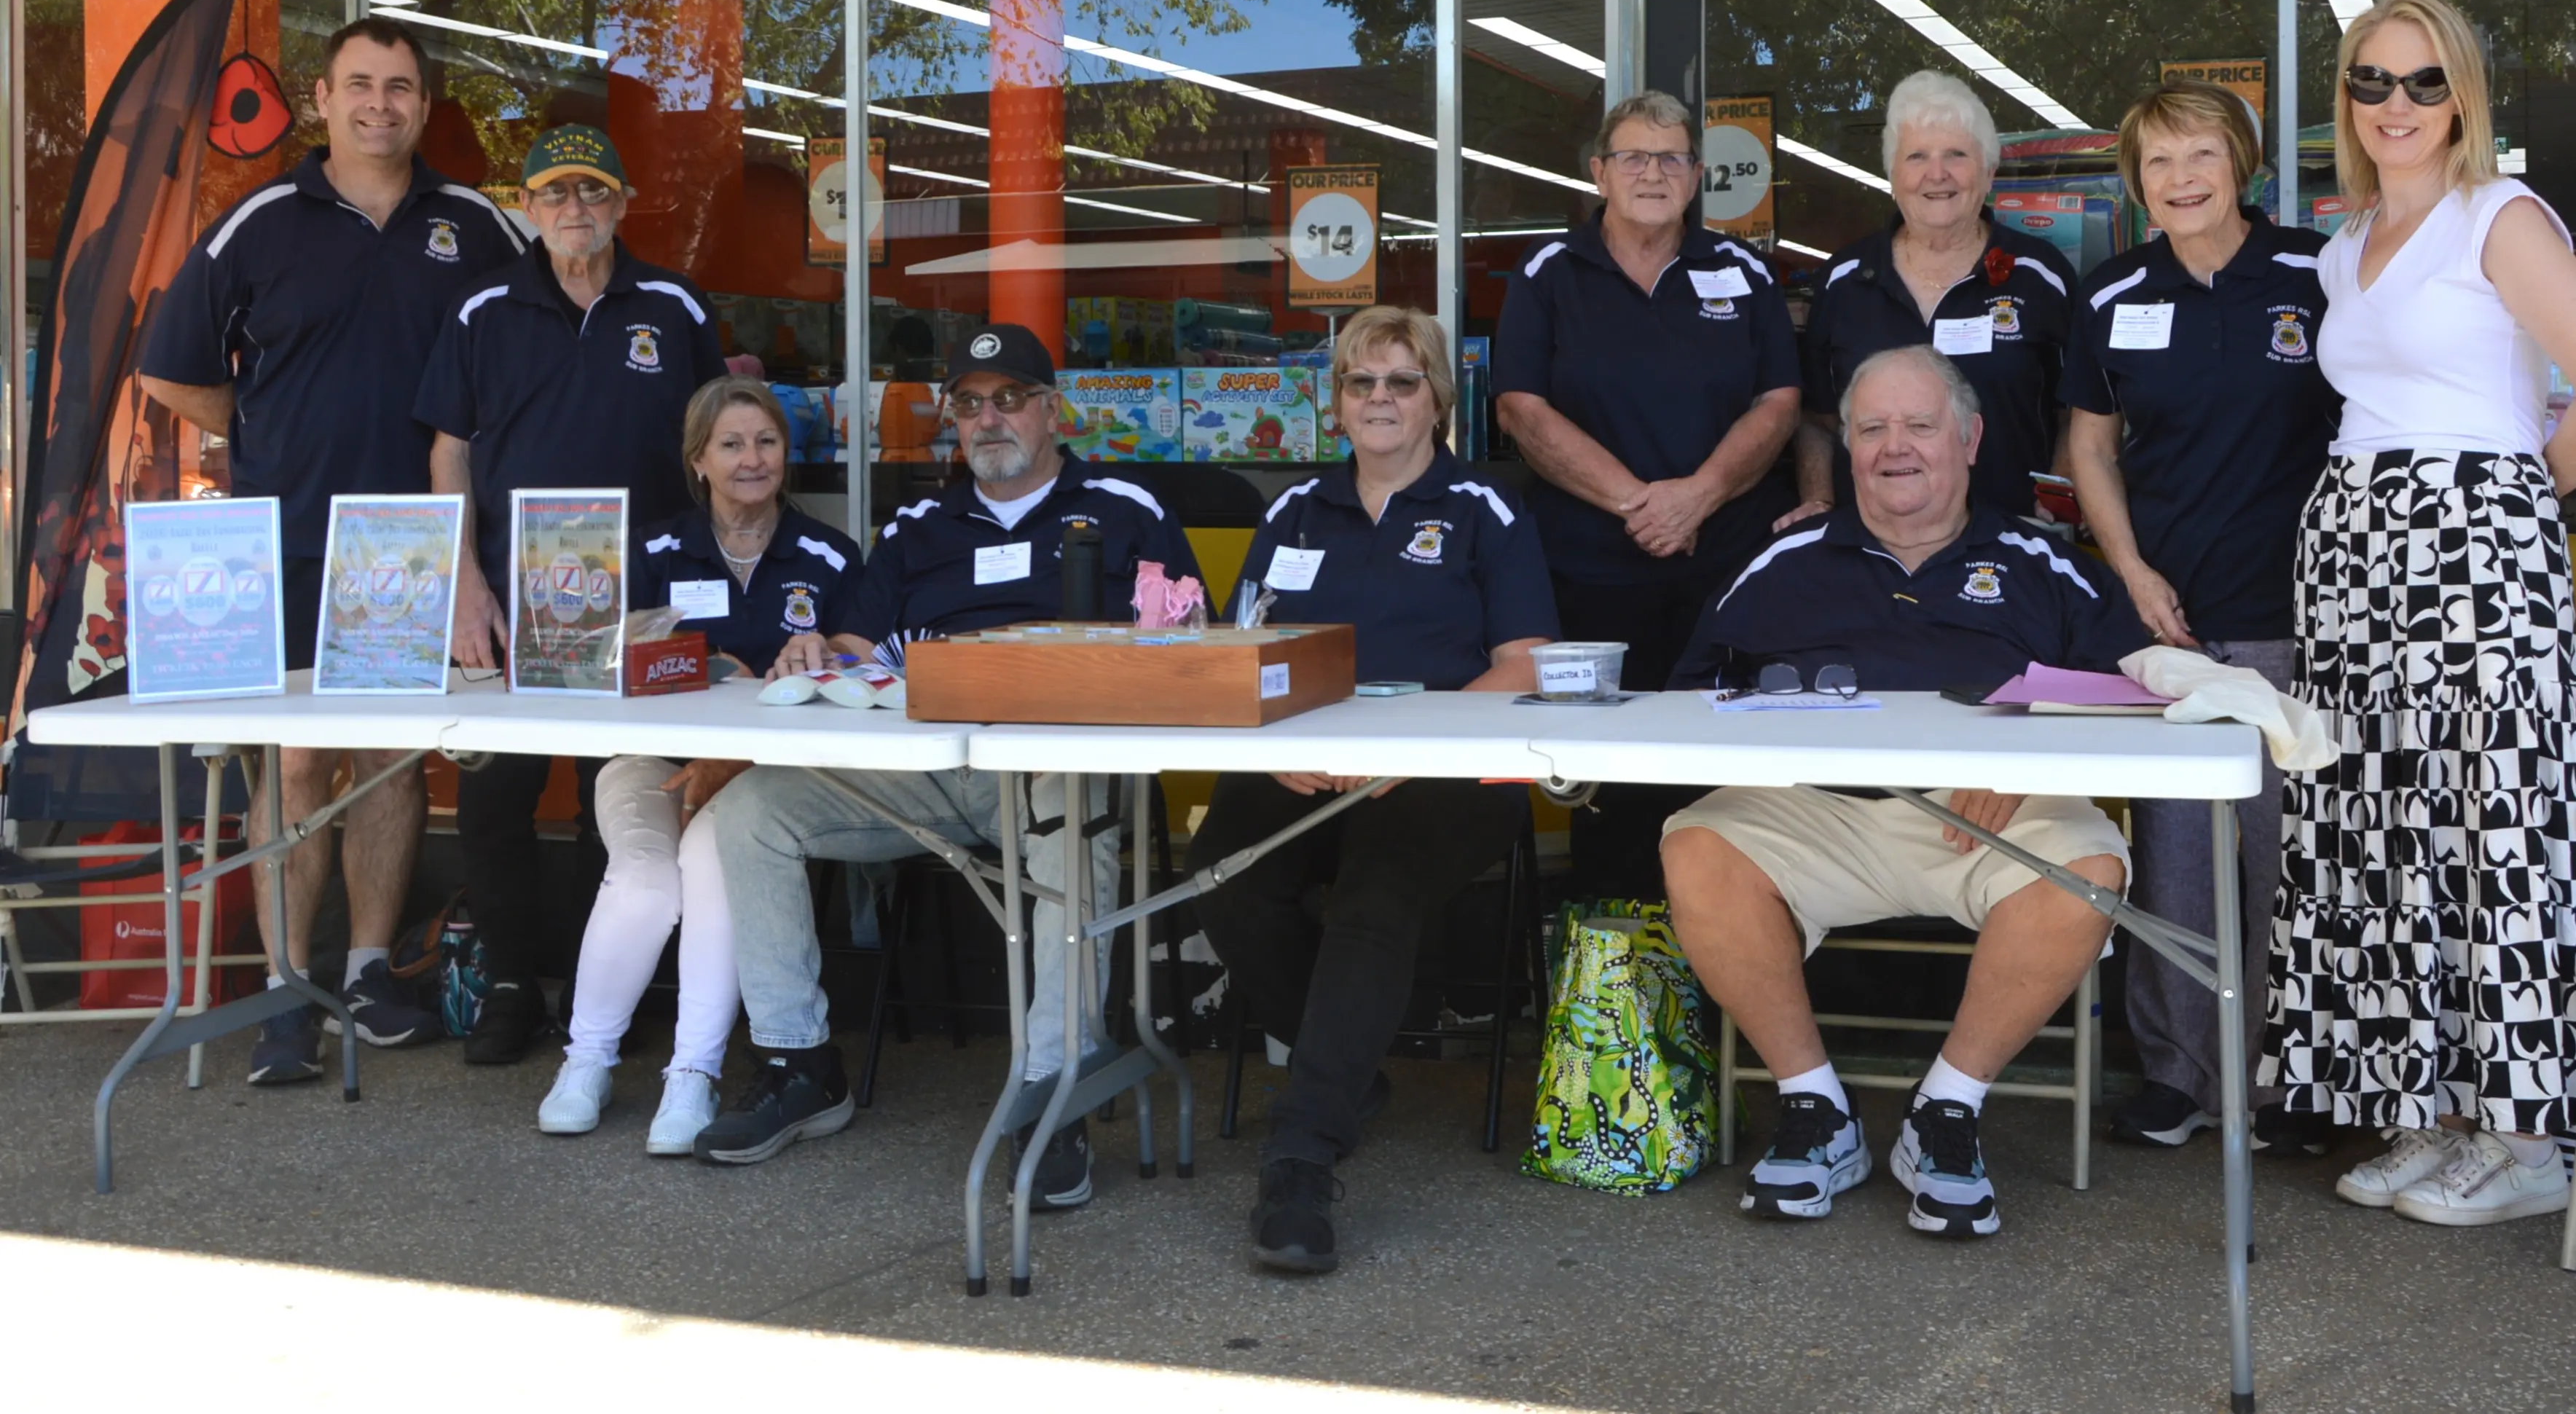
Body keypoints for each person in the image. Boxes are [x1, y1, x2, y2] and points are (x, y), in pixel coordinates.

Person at [2263, 0, 2576, 1227]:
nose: (2395, 105)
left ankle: (2524, 1136)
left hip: (2473, 550)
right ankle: (2421, 1110)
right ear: (2346, 99)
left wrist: (2502, 502)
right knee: (2375, 835)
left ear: (2462, 96)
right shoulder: (2342, 241)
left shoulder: (2499, 216)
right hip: (2353, 554)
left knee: (2493, 835)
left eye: (2423, 82)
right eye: (2372, 82)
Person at [691, 323, 1203, 1209]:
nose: (989, 418)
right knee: (751, 811)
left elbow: (1192, 639)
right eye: (969, 402)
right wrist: (816, 650)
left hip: (1061, 772)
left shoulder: (1127, 507)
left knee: (1068, 820)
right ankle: (800, 1062)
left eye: (1009, 398)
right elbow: (855, 643)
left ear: (1052, 411)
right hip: (929, 769)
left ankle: (1054, 1088)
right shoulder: (920, 525)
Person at [1662, 345, 2144, 1239]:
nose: (1897, 447)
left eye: (1921, 426)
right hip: (1821, 813)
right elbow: (1691, 698)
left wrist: (2030, 764)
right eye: (1873, 428)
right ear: (1847, 449)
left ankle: (1945, 1113)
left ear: (1969, 439)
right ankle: (1817, 1111)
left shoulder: (2044, 559)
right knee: (1696, 843)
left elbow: (2136, 692)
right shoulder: (1784, 561)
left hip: (1993, 815)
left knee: (2088, 866)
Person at [139, 17, 525, 1084]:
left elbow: (528, 356)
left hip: (415, 543)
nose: (379, 105)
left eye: (400, 87)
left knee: (394, 761)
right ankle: (283, 992)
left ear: (423, 104)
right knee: (300, 760)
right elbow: (171, 369)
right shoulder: (258, 222)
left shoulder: (477, 226)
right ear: (320, 97)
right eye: (360, 84)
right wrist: (257, 430)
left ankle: (365, 970)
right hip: (291, 536)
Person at [1192, 305, 1558, 1274]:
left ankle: (1301, 1156)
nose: (1380, 399)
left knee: (1373, 895)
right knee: (1221, 873)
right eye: (1361, 381)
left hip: (1448, 766)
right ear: (1337, 400)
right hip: (1304, 760)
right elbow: (1237, 651)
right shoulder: (1293, 509)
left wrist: (1416, 744)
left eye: (1401, 380)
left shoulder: (1485, 506)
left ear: (1437, 397)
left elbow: (1522, 661)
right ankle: (1341, 1071)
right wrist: (1271, 749)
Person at [2062, 81, 2341, 1154]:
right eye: (2157, 164)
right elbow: (2088, 447)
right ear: (2134, 183)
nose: (2180, 180)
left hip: (2290, 614)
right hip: (2165, 627)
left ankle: (2282, 1082)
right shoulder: (2110, 291)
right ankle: (2178, 1076)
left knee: (2285, 860)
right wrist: (2125, 569)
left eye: (2199, 156)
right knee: (2174, 865)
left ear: (2242, 163)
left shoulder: (2315, 274)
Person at [417, 123, 728, 1066]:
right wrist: (461, 579)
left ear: (623, 202)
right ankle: (513, 982)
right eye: (553, 193)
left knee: (619, 792)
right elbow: (449, 451)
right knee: (497, 789)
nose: (574, 208)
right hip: (518, 593)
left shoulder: (672, 307)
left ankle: (614, 987)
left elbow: (719, 445)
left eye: (592, 190)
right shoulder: (480, 309)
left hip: (645, 596)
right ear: (526, 207)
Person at [533, 376, 858, 1152]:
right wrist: (695, 665)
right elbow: (589, 659)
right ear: (698, 460)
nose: (753, 460)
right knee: (647, 878)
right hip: (654, 761)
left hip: (768, 780)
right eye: (732, 444)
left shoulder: (830, 555)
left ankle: (693, 1075)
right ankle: (586, 1062)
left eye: (768, 442)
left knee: (715, 867)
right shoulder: (646, 550)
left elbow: (860, 679)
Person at [1494, 90, 1801, 892]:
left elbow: (1780, 403)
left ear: (1698, 175)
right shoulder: (1547, 275)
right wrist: (1641, 502)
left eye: (1672, 157)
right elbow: (1521, 408)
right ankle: (1621, 991)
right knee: (1610, 784)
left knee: (1724, 778)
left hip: (1725, 572)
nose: (1653, 172)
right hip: (1593, 578)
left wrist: (1699, 495)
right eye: (1633, 155)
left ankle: (1722, 970)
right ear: (1599, 173)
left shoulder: (1745, 273)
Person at [1790, 70, 2076, 530]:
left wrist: (2059, 498)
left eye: (1956, 155)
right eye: (1917, 156)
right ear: (1892, 175)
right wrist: (1820, 502)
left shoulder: (2040, 275)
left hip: (2012, 543)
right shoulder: (1844, 280)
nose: (1936, 174)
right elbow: (1818, 419)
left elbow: (2078, 413)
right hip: (1870, 549)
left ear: (1988, 173)